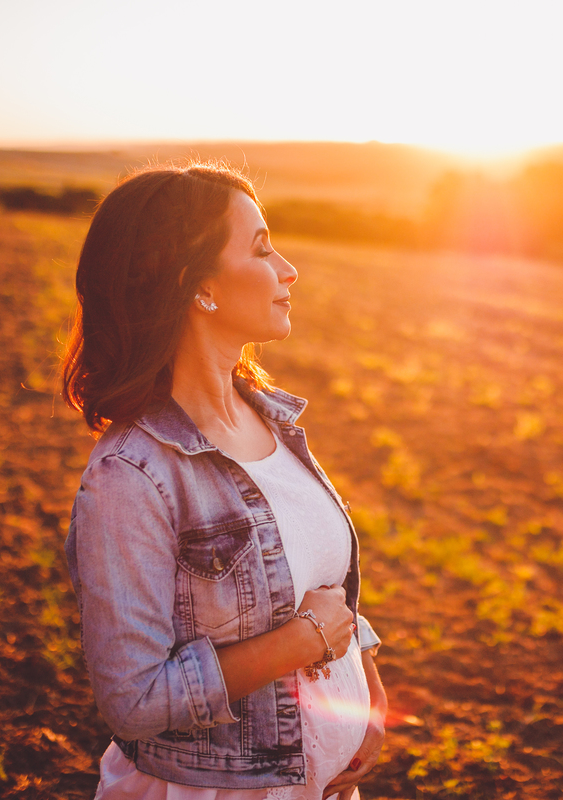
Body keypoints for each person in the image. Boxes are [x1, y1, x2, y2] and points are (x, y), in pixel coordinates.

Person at [61, 163, 386, 800]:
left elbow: (316, 576)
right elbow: (134, 700)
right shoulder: (131, 475)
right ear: (198, 284)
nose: (289, 270)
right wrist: (304, 641)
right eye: (262, 249)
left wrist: (367, 689)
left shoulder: (272, 419)